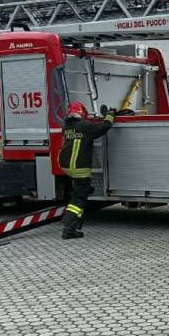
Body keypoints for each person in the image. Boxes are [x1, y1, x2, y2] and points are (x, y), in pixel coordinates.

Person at [57, 101, 117, 239]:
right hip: (79, 168)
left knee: (80, 192)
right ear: (81, 113)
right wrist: (110, 114)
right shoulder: (84, 126)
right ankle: (69, 229)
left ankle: (73, 222)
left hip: (67, 166)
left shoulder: (66, 127)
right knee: (78, 199)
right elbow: (105, 126)